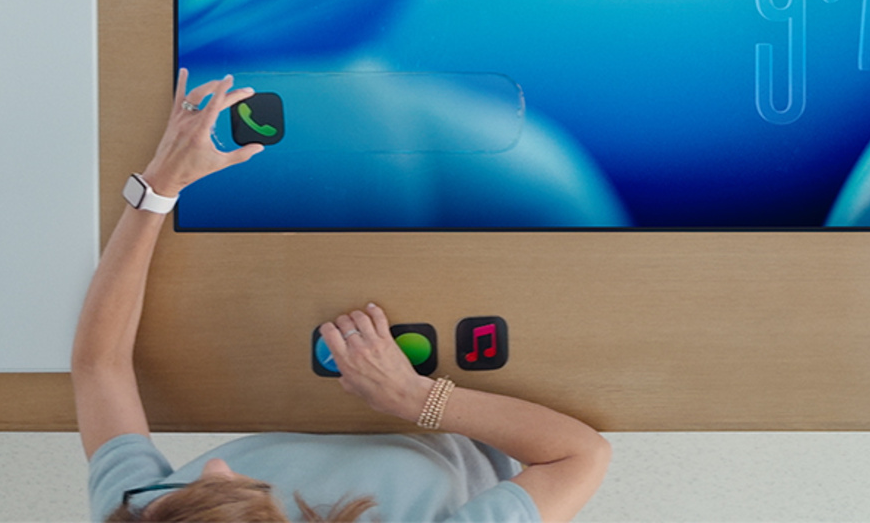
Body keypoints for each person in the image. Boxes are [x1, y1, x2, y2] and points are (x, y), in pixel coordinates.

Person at [77, 71, 611, 521]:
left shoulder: (145, 514)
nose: (212, 466)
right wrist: (414, 398)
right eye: (233, 488)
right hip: (460, 403)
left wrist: (158, 188)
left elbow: (100, 366)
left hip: (313, 390)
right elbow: (579, 456)